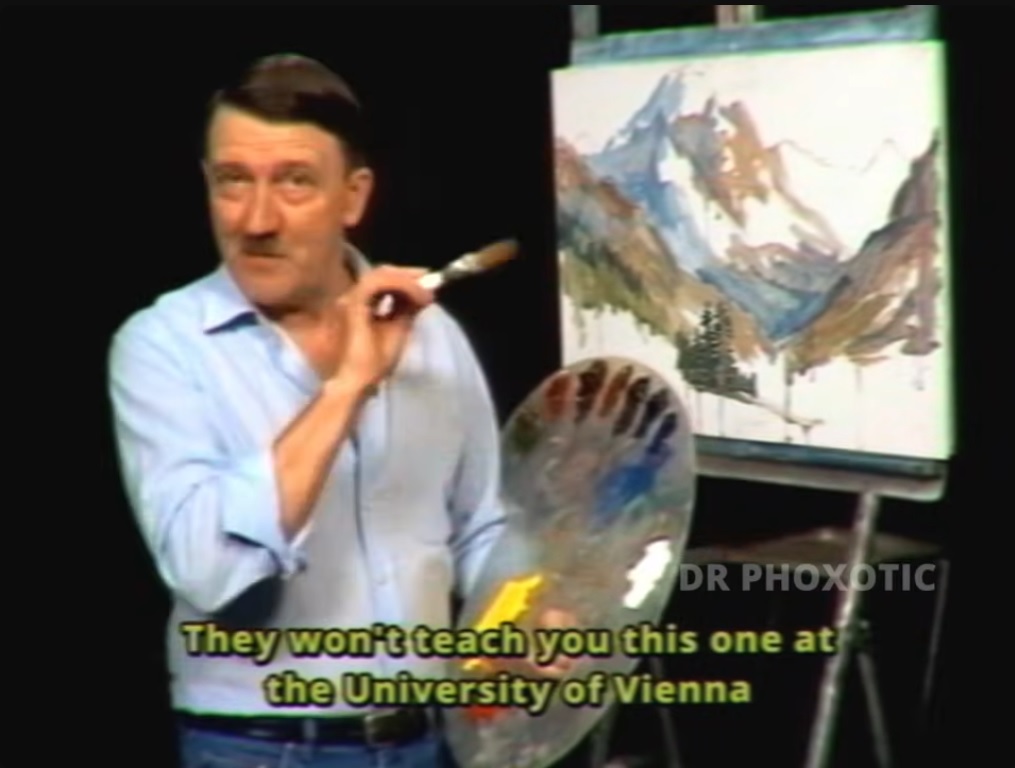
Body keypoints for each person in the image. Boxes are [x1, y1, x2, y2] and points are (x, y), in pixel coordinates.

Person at [108, 53, 509, 768]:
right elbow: (207, 571)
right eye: (233, 181)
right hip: (259, 748)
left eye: (293, 181)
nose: (256, 220)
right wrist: (346, 387)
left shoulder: (434, 335)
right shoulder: (161, 346)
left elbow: (481, 525)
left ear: (353, 197)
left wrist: (527, 612)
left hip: (430, 740)